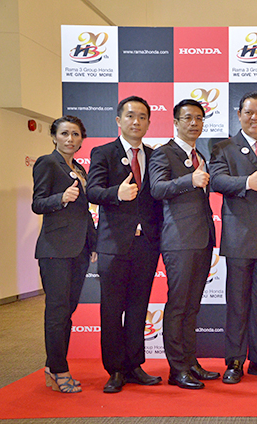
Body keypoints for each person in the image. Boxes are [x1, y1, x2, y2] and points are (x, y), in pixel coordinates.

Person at [209, 92, 257, 384]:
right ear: (239, 115)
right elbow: (217, 181)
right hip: (240, 239)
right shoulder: (224, 148)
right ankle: (234, 361)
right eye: (248, 112)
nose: (254, 118)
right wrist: (246, 182)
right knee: (238, 304)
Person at [87, 96, 164, 394]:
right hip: (113, 245)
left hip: (146, 245)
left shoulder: (154, 155)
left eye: (142, 117)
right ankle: (115, 369)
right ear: (119, 120)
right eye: (130, 116)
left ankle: (134, 365)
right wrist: (116, 194)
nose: (136, 121)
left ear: (148, 122)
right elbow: (93, 191)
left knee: (137, 308)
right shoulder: (103, 152)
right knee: (111, 309)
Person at [148, 99, 220, 390]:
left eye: (199, 118)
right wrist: (190, 179)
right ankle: (177, 369)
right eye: (188, 118)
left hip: (202, 239)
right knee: (179, 305)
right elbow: (156, 189)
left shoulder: (199, 154)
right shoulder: (163, 153)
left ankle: (190, 363)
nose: (194, 123)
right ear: (176, 122)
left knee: (192, 307)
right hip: (178, 240)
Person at [32, 115, 97, 393]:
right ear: (54, 137)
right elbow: (38, 203)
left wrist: (92, 243)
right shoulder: (47, 163)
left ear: (82, 139)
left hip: (79, 249)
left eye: (75, 134)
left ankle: (52, 366)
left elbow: (84, 212)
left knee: (67, 311)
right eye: (64, 134)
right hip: (55, 250)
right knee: (57, 312)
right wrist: (60, 198)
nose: (70, 139)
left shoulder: (79, 168)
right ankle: (59, 369)